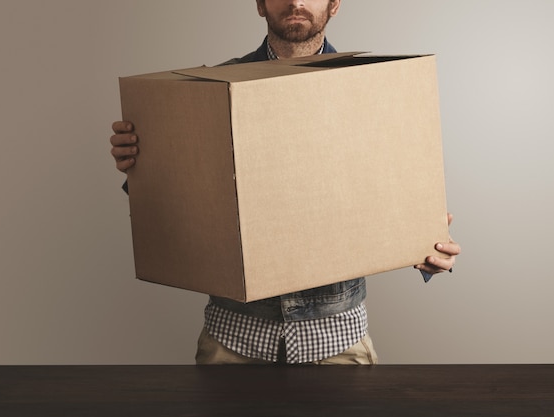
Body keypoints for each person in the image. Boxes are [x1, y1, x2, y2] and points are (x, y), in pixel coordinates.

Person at [110, 0, 460, 365]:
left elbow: (394, 188)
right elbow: (184, 197)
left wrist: (427, 245)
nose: (295, 1)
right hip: (233, 340)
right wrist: (139, 166)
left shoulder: (377, 88)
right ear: (261, 5)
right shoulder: (206, 89)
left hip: (336, 339)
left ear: (334, 4)